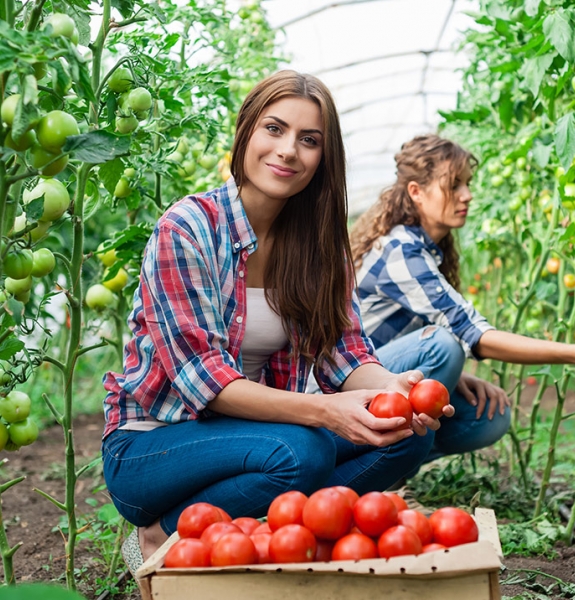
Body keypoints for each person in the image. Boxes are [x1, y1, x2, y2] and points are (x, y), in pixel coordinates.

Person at [101, 72, 451, 570]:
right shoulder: (188, 229)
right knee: (301, 452)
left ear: (323, 159)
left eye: (309, 141)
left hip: (246, 434)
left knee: (404, 435)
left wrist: (395, 390)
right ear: (246, 132)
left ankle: (274, 532)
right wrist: (327, 412)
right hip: (151, 445)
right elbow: (208, 382)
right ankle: (164, 531)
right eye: (274, 129)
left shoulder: (317, 249)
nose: (289, 150)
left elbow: (345, 353)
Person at [350, 134, 575, 464]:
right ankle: (372, 460)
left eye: (467, 184)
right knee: (441, 347)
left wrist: (458, 377)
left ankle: (380, 467)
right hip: (348, 389)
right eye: (453, 185)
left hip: (381, 374)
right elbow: (474, 336)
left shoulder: (426, 249)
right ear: (416, 192)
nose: (466, 195)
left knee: (488, 417)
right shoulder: (402, 252)